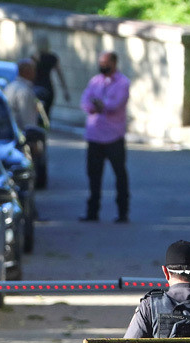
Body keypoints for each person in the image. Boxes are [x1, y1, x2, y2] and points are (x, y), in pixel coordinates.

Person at [79, 51, 130, 223]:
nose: (102, 65)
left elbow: (116, 104)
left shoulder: (122, 83)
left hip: (113, 136)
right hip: (94, 136)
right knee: (93, 176)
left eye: (105, 62)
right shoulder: (95, 81)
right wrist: (96, 106)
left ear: (114, 63)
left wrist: (102, 105)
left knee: (120, 175)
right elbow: (85, 102)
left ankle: (123, 212)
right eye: (101, 62)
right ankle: (92, 212)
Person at [34, 38, 71, 121]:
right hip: (48, 88)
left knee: (35, 116)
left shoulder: (35, 57)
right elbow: (60, 75)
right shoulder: (52, 58)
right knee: (45, 117)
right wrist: (65, 90)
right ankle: (44, 131)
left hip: (36, 88)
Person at [3, 58, 39, 132]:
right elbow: (28, 121)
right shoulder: (25, 91)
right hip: (20, 136)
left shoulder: (10, 87)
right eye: (33, 70)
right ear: (26, 72)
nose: (35, 73)